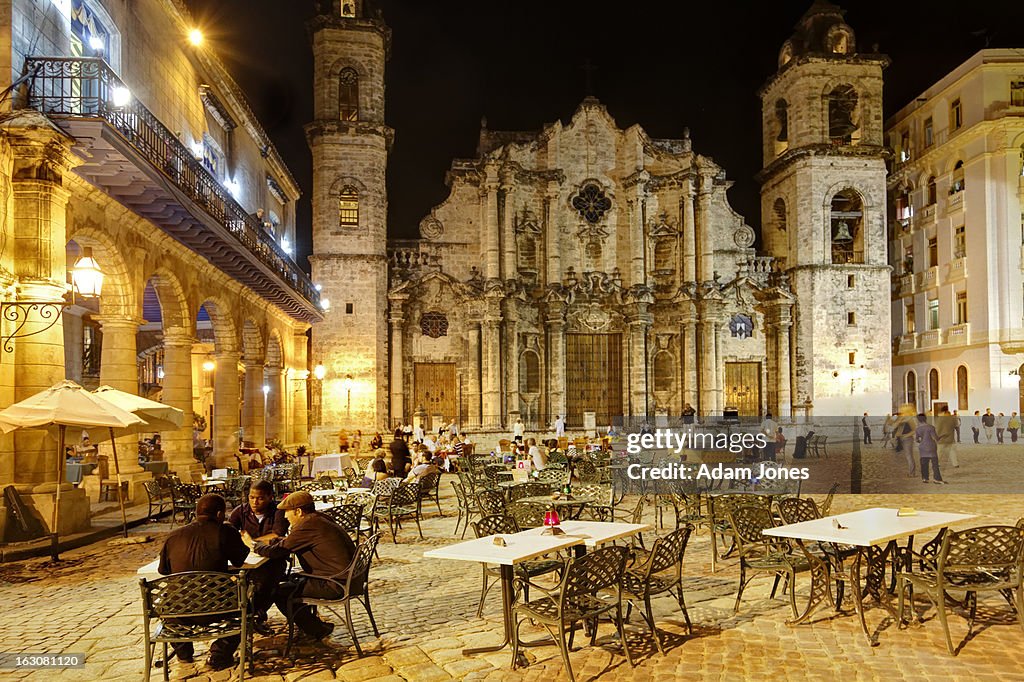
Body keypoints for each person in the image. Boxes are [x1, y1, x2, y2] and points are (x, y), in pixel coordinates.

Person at [244, 491, 357, 642]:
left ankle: (316, 630)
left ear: (298, 511)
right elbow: (290, 542)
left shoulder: (307, 526)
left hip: (335, 584)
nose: (285, 517)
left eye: (287, 513)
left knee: (280, 592)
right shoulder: (318, 519)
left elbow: (276, 552)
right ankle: (314, 626)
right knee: (288, 582)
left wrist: (252, 545)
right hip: (349, 578)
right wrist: (274, 541)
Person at [158, 494, 248, 669]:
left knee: (170, 603)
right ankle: (219, 654)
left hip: (178, 612)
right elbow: (239, 560)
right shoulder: (225, 532)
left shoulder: (173, 536)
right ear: (220, 514)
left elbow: (164, 571)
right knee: (245, 605)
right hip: (219, 608)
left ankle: (184, 653)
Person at [226, 481, 289, 632]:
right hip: (248, 560)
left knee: (266, 583)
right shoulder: (240, 511)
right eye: (251, 497)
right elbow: (228, 532)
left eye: (260, 498)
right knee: (232, 580)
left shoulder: (278, 511)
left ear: (270, 497)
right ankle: (246, 614)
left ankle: (255, 615)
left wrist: (251, 542)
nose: (255, 502)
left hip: (272, 559)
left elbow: (277, 535)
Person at [915, 414, 946, 484]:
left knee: (924, 464)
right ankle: (937, 479)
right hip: (931, 447)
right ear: (926, 418)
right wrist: (942, 436)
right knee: (935, 464)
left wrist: (922, 441)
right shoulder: (931, 427)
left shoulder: (918, 429)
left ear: (918, 420)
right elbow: (936, 438)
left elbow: (917, 440)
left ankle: (925, 478)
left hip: (922, 448)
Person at [894, 406, 916, 477]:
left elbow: (914, 430)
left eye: (902, 410)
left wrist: (906, 435)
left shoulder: (910, 419)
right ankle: (911, 472)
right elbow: (894, 426)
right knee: (907, 456)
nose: (901, 411)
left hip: (908, 439)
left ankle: (912, 473)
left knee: (909, 456)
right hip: (901, 439)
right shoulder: (902, 418)